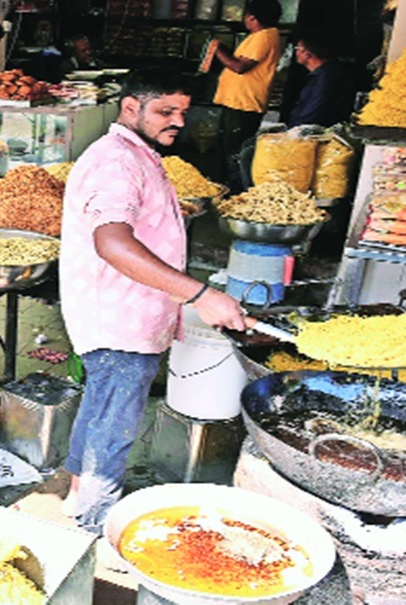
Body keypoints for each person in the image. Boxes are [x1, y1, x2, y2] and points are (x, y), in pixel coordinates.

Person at [59, 68, 249, 535]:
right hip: (118, 317)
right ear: (131, 107)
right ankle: (93, 525)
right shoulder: (116, 163)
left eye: (183, 112)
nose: (178, 121)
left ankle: (76, 496)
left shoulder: (135, 154)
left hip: (127, 310)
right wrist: (201, 294)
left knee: (102, 407)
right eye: (166, 111)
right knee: (114, 424)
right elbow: (112, 242)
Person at [212, 0, 283, 193]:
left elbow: (240, 67)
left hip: (244, 104)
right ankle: (226, 189)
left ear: (252, 18)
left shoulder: (264, 37)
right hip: (239, 102)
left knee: (235, 153)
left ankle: (235, 194)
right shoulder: (262, 36)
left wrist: (217, 50)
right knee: (228, 150)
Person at [285, 31, 355, 128]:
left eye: (298, 48)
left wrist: (293, 131)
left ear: (307, 53)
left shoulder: (325, 79)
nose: (296, 52)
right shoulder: (327, 73)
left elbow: (312, 115)